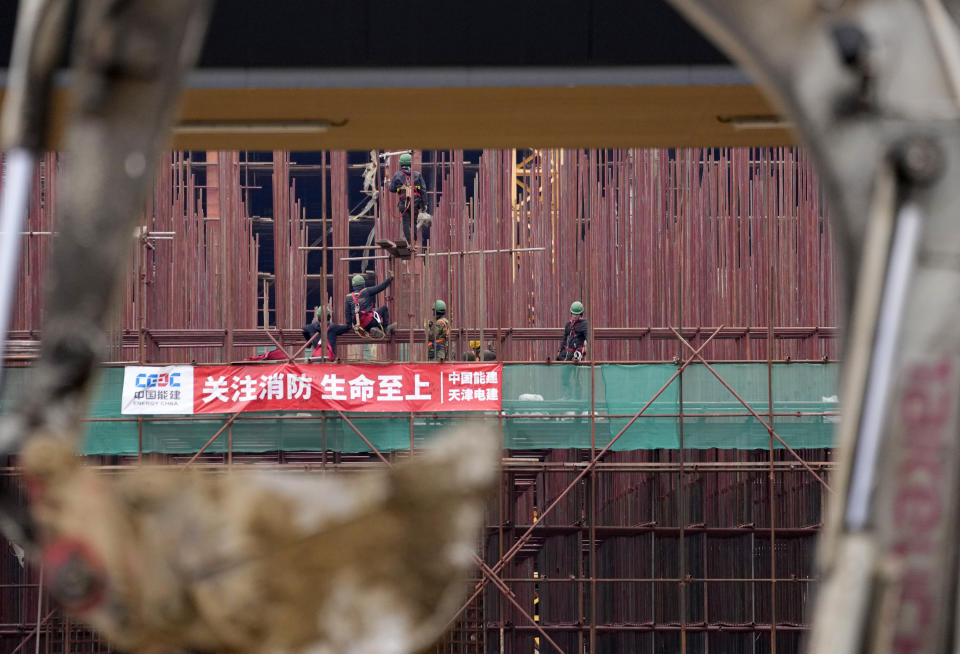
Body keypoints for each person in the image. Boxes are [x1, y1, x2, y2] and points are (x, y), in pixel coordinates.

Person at [388, 153, 431, 245]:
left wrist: (388, 183)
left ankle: (410, 242)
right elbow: (423, 190)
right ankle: (414, 242)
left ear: (400, 164)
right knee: (413, 224)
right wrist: (425, 204)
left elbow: (392, 189)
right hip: (415, 203)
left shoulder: (397, 175)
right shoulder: (417, 175)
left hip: (404, 204)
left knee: (406, 224)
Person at [345, 273, 396, 339]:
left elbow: (347, 314)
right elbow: (381, 287)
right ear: (363, 284)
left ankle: (373, 328)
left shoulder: (348, 297)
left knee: (369, 320)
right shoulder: (366, 291)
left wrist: (350, 327)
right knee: (384, 309)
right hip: (369, 321)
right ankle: (384, 328)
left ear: (353, 285)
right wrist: (390, 278)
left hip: (358, 326)